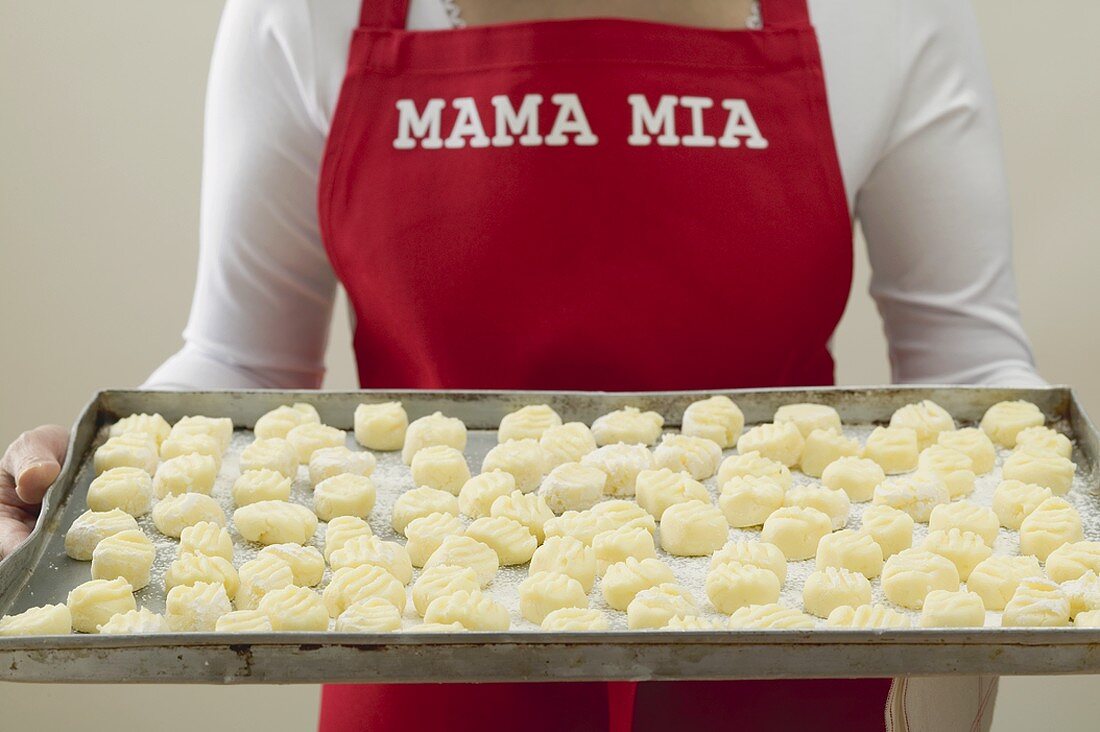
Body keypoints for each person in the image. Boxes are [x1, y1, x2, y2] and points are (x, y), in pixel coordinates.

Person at [1, 0, 1043, 730]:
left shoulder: (885, 11)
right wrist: (93, 485)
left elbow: (972, 379)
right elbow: (240, 366)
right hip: (419, 671)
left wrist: (966, 661)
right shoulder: (309, 11)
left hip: (789, 668)